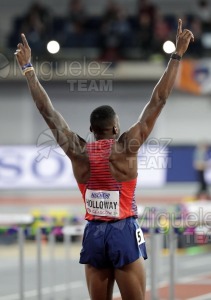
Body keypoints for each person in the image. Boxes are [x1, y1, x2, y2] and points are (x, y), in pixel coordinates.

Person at [14, 19, 194, 300]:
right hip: (123, 230)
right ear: (115, 128)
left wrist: (28, 69)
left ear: (91, 130)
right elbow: (159, 99)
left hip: (94, 233)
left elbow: (46, 110)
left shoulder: (78, 151)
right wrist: (177, 55)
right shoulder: (126, 148)